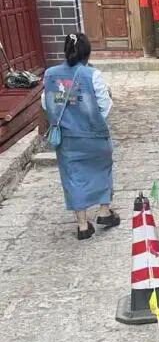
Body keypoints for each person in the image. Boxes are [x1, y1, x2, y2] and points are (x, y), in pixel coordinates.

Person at [41, 33, 120, 240]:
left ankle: (83, 226)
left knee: (73, 177)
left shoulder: (50, 75)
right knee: (102, 170)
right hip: (94, 136)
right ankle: (104, 212)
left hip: (67, 138)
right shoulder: (92, 75)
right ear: (87, 53)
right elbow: (104, 105)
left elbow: (46, 103)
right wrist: (92, 120)